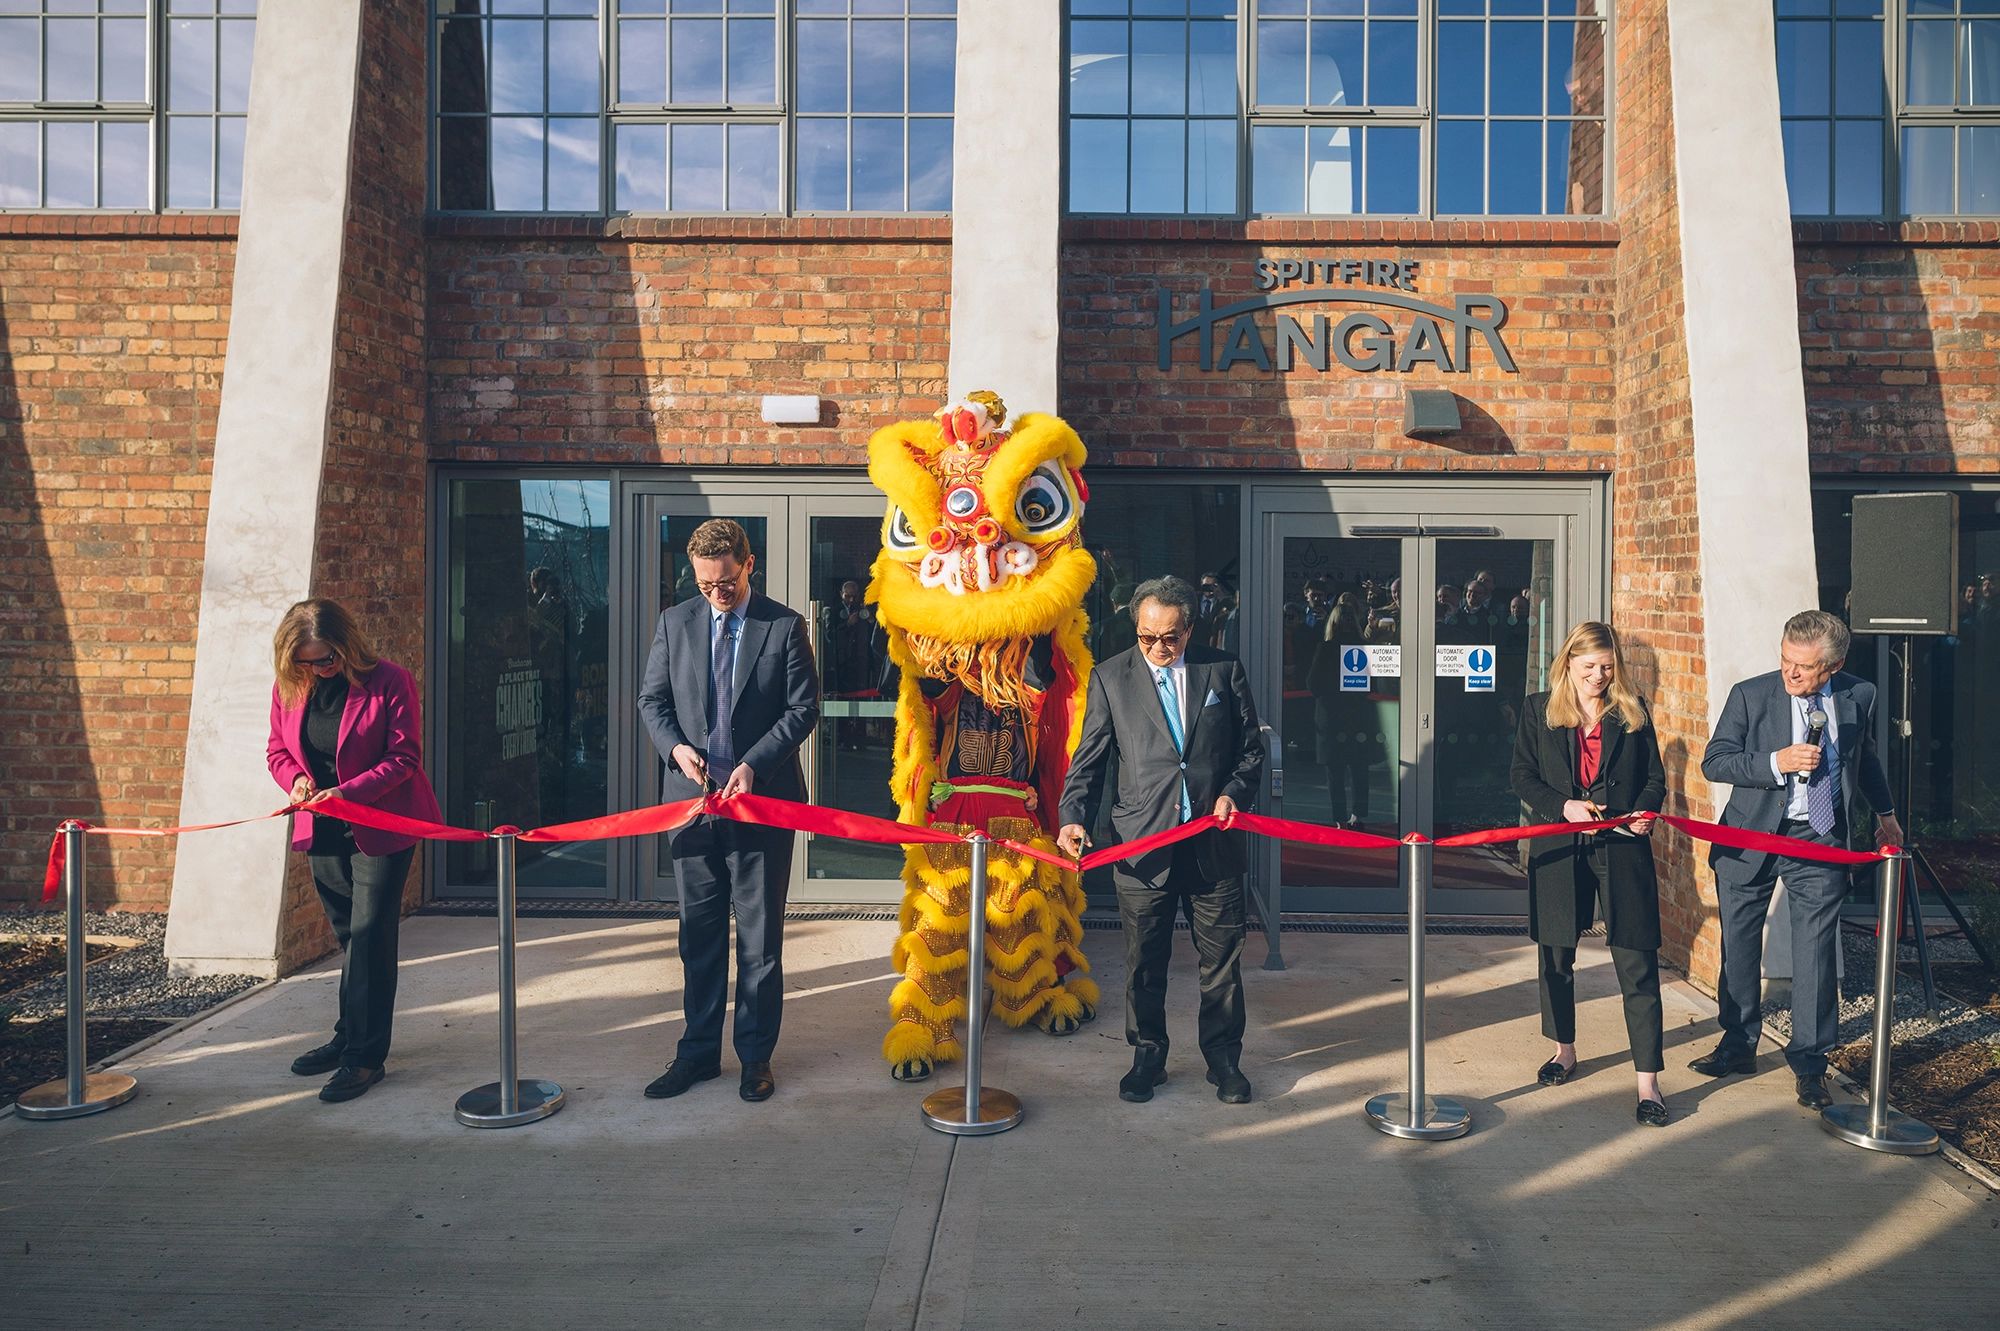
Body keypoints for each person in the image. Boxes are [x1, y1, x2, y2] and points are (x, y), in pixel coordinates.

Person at [1057, 575, 1267, 1105]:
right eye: (1146, 637)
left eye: (1169, 638)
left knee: (1221, 963)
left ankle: (1223, 1062)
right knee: (1143, 963)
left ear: (1189, 629)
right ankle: (1147, 1055)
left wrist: (1233, 794)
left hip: (1211, 844)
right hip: (1141, 846)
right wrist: (1072, 816)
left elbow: (1249, 752)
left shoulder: (1222, 670)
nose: (1157, 648)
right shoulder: (1111, 678)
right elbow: (1090, 760)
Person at [638, 519, 820, 1103]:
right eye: (704, 585)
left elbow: (802, 708)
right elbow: (653, 700)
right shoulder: (675, 622)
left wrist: (755, 764)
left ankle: (754, 1058)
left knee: (760, 942)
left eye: (724, 583)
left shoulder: (784, 626)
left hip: (761, 804)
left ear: (748, 565)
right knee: (700, 937)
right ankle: (696, 1055)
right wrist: (676, 748)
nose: (715, 594)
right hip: (692, 808)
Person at [1692, 610, 1902, 1110]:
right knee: (1740, 945)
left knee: (1814, 952)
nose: (1791, 675)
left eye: (1804, 669)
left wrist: (1887, 813)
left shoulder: (1860, 695)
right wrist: (1774, 763)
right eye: (1786, 661)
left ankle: (1810, 1063)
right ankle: (1738, 1044)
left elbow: (1864, 757)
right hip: (1750, 838)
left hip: (1820, 837)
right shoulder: (1750, 693)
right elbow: (1716, 760)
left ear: (1834, 665)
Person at [265, 598, 442, 1104]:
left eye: (329, 658)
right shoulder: (290, 688)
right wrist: (296, 780)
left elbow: (404, 757)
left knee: (369, 938)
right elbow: (276, 751)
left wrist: (348, 793)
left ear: (347, 645)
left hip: (379, 825)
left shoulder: (389, 681)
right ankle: (347, 1036)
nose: (322, 668)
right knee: (349, 938)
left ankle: (365, 1058)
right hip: (320, 827)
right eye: (310, 661)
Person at [1510, 622, 1670, 1127]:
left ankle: (1648, 1081)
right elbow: (1522, 775)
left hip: (1621, 848)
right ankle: (1564, 1050)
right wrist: (1562, 806)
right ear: (1568, 665)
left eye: (1606, 666)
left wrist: (1643, 813)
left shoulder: (1633, 709)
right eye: (1588, 667)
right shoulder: (1539, 709)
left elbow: (1654, 779)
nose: (1598, 676)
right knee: (1555, 955)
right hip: (1559, 845)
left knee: (1636, 961)